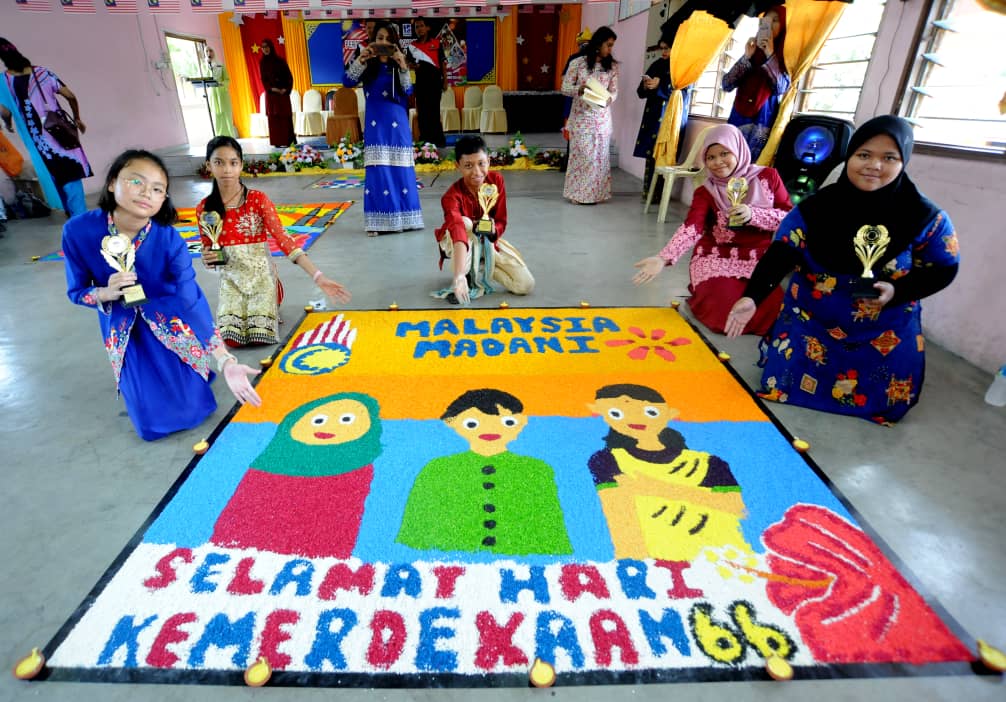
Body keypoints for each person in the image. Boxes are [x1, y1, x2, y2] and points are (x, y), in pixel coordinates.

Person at [725, 115, 960, 425]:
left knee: (885, 400)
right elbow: (782, 251)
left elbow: (944, 267)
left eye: (889, 158)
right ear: (849, 156)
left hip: (882, 327)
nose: (874, 165)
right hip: (812, 321)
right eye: (864, 154)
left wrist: (899, 290)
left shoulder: (925, 217)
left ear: (904, 161)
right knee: (782, 385)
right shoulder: (815, 207)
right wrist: (752, 296)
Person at [61, 149, 262, 441]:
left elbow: (190, 300)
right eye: (136, 182)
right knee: (151, 421)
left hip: (169, 318)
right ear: (112, 183)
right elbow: (76, 292)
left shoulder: (169, 240)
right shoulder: (78, 232)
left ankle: (197, 369)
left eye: (157, 189)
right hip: (123, 326)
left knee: (195, 407)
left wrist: (224, 359)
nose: (147, 193)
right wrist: (104, 292)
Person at [633, 123, 792, 335]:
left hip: (758, 259)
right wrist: (663, 258)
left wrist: (754, 214)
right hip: (715, 256)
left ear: (738, 150)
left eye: (724, 153)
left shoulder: (768, 177)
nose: (717, 162)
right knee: (723, 313)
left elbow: (789, 218)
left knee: (773, 312)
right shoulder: (705, 192)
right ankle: (704, 289)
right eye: (710, 157)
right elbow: (692, 228)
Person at [197, 136, 351, 347]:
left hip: (261, 279)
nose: (227, 169)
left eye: (233, 163)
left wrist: (318, 277)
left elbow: (284, 239)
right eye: (219, 162)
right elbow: (208, 249)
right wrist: (208, 258)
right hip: (231, 281)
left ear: (241, 165)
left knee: (259, 337)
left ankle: (274, 292)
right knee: (232, 340)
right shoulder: (204, 209)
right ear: (209, 166)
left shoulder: (258, 200)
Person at [397, 389, 572, 555]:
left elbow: (551, 525)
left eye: (508, 422)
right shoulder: (437, 469)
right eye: (472, 424)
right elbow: (417, 527)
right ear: (451, 422)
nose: (490, 429)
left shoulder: (537, 470)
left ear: (522, 422)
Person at [587, 384, 750, 560]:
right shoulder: (608, 460)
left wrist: (652, 487)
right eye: (617, 414)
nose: (635, 418)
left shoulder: (708, 463)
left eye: (650, 412)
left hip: (726, 552)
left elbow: (736, 506)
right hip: (663, 558)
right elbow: (619, 515)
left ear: (670, 413)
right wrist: (633, 562)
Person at [212, 392, 383, 558]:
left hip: (319, 557)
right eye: (319, 421)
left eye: (346, 420)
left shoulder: (357, 469)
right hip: (238, 549)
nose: (328, 427)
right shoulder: (270, 462)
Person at [431, 135, 534, 305]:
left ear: (489, 162)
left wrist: (493, 231)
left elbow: (501, 220)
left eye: (481, 163)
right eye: (468, 166)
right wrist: (458, 276)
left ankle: (481, 266)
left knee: (525, 284)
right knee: (465, 223)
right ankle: (463, 275)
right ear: (457, 166)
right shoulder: (451, 197)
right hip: (458, 242)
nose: (477, 172)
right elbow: (457, 229)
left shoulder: (496, 181)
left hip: (487, 242)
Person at [343, 22, 424, 237]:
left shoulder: (399, 64)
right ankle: (378, 222)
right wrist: (361, 59)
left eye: (388, 39)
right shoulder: (368, 65)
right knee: (378, 171)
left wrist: (402, 64)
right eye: (380, 38)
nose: (384, 43)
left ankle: (406, 219)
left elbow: (408, 91)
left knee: (401, 171)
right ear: (373, 41)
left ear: (395, 43)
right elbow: (347, 82)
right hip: (376, 125)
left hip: (398, 125)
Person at [0, 37, 91, 217]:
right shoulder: (42, 72)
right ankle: (79, 215)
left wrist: (8, 124)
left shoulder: (4, 81)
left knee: (53, 175)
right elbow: (70, 95)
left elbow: (6, 111)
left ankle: (72, 214)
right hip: (60, 132)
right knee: (71, 173)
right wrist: (77, 118)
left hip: (36, 138)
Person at [721, 6, 789, 161]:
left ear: (784, 26)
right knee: (731, 161)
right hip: (738, 117)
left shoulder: (785, 56)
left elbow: (780, 88)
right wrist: (747, 56)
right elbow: (726, 84)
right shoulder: (752, 53)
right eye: (766, 20)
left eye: (775, 20)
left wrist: (770, 54)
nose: (769, 24)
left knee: (754, 166)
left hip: (764, 119)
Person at [561, 26, 619, 205]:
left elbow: (614, 91)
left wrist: (609, 99)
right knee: (582, 158)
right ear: (598, 43)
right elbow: (564, 88)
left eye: (612, 45)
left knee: (599, 160)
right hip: (581, 119)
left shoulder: (612, 66)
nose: (610, 49)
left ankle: (595, 195)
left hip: (602, 121)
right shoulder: (577, 63)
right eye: (608, 45)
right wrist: (579, 89)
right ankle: (578, 195)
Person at [633, 39, 692, 199]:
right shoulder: (657, 64)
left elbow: (682, 92)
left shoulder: (683, 67)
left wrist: (661, 84)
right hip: (653, 116)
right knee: (651, 153)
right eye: (662, 48)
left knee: (664, 153)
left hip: (670, 118)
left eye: (667, 48)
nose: (664, 52)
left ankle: (660, 195)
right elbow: (640, 92)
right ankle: (649, 193)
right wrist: (646, 85)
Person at [407, 17, 446, 147]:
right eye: (416, 27)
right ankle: (425, 142)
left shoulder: (437, 43)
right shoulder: (411, 46)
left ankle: (438, 142)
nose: (419, 29)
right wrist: (413, 66)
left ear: (427, 28)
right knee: (423, 114)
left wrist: (445, 81)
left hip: (435, 84)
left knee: (434, 113)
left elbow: (443, 63)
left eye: (421, 26)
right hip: (421, 84)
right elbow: (407, 63)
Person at [259, 39, 295, 149]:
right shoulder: (262, 63)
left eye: (267, 46)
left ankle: (288, 140)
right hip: (272, 95)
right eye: (263, 47)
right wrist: (272, 89)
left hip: (283, 94)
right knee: (274, 118)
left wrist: (285, 89)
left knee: (285, 117)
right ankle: (277, 141)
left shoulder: (280, 61)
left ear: (271, 47)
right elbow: (264, 80)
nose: (265, 49)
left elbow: (289, 77)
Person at [205, 46, 237, 139]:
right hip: (212, 95)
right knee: (216, 116)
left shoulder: (220, 65)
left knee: (226, 115)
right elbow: (205, 79)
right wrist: (208, 66)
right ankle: (219, 138)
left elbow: (227, 79)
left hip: (222, 94)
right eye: (207, 51)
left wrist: (222, 84)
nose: (209, 53)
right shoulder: (204, 66)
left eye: (211, 50)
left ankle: (230, 138)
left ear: (214, 52)